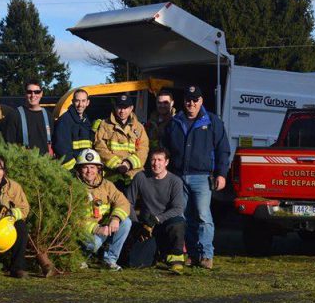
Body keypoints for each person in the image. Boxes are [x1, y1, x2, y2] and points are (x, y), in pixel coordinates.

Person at [161, 85, 230, 270]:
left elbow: (223, 150)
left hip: (202, 177)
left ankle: (206, 254)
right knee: (184, 217)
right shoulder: (175, 122)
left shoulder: (213, 121)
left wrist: (221, 174)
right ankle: (191, 254)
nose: (191, 103)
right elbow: (165, 149)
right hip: (178, 177)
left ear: (201, 101)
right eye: (188, 100)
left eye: (195, 100)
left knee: (203, 215)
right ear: (183, 102)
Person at [125, 148, 186, 274]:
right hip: (146, 226)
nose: (156, 163)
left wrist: (158, 219)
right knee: (136, 263)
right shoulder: (140, 177)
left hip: (166, 223)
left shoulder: (175, 181)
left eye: (160, 160)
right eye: (153, 159)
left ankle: (176, 259)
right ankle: (157, 253)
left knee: (178, 223)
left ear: (166, 162)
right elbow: (128, 202)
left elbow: (178, 208)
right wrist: (136, 224)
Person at [74, 149, 131, 271]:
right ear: (79, 170)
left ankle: (109, 261)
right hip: (86, 232)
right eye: (85, 167)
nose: (89, 171)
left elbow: (123, 202)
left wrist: (115, 218)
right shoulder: (73, 188)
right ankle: (79, 258)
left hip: (104, 226)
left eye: (93, 167)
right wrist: (96, 228)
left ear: (98, 169)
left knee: (126, 222)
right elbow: (74, 219)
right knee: (94, 243)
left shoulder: (107, 185)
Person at [93, 94, 149, 187]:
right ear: (115, 107)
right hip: (111, 174)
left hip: (133, 174)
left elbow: (143, 149)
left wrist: (128, 164)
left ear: (131, 108)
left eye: (125, 107)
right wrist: (117, 165)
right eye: (119, 107)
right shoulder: (104, 125)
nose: (122, 111)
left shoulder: (139, 127)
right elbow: (99, 147)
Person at [2, 79, 54, 156]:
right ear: (25, 94)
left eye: (37, 92)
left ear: (41, 93)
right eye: (29, 92)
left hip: (45, 164)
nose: (33, 95)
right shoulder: (14, 115)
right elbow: (9, 146)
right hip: (23, 164)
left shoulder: (48, 116)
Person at [53, 88, 93, 170]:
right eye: (77, 101)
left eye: (83, 101)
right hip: (73, 169)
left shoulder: (86, 121)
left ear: (87, 102)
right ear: (72, 101)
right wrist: (74, 170)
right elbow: (62, 148)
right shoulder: (65, 120)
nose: (80, 104)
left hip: (84, 167)